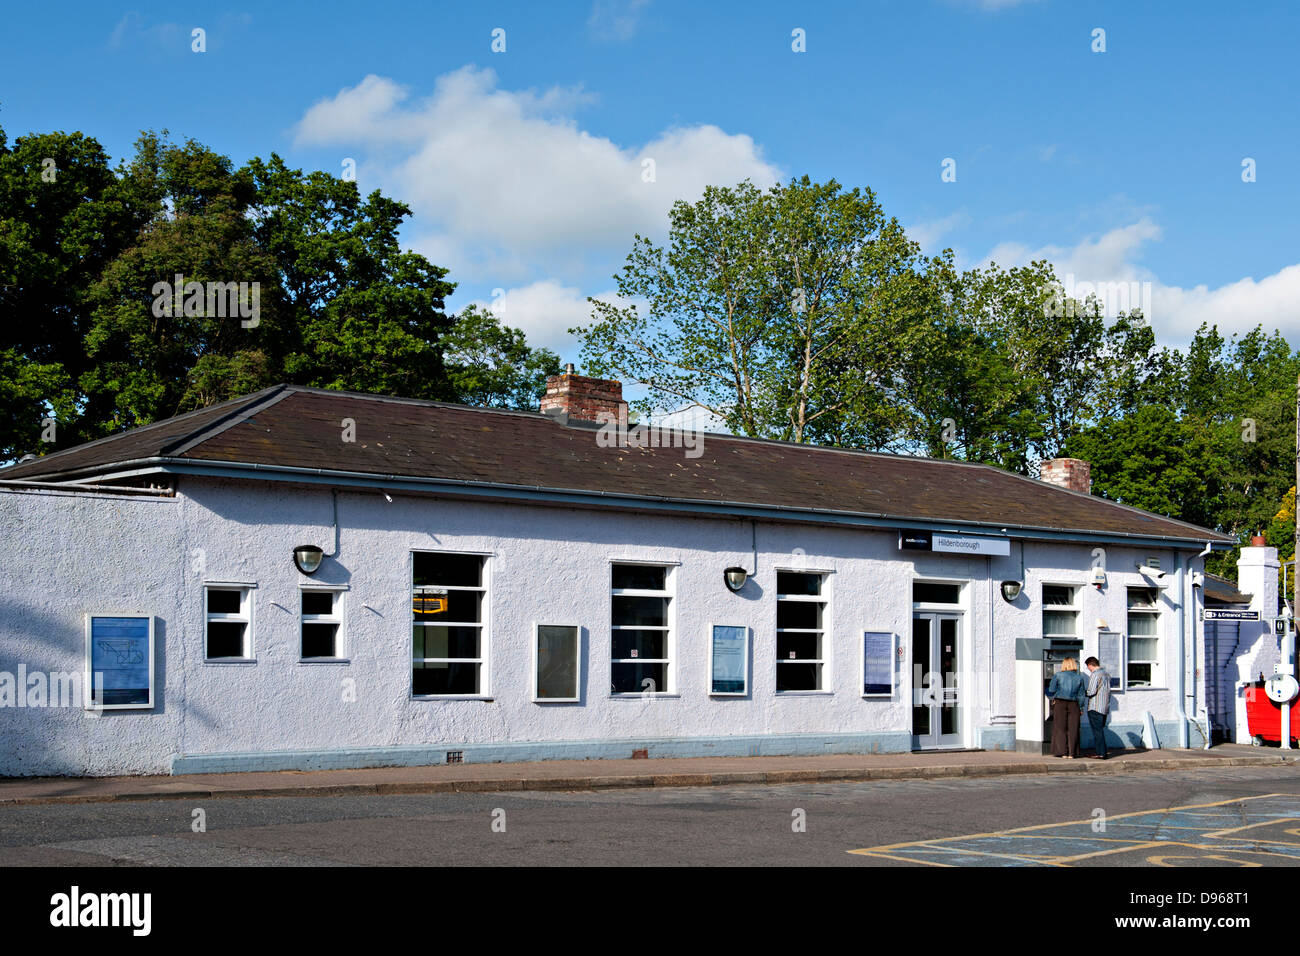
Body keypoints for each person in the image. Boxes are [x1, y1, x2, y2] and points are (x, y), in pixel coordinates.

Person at [1046, 657, 1087, 758]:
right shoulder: (1079, 677)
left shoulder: (1058, 675)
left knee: (1060, 728)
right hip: (1074, 704)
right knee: (1073, 729)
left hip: (1060, 703)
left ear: (1064, 665)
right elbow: (1081, 695)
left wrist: (1054, 696)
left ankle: (1063, 752)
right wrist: (1081, 707)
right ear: (1074, 665)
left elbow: (1051, 689)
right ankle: (1072, 753)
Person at [1084, 656, 1112, 759]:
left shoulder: (1095, 675)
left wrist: (1083, 692)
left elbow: (1091, 691)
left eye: (1088, 667)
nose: (1088, 669)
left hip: (1095, 707)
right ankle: (1101, 752)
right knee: (1100, 730)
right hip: (1104, 707)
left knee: (1097, 731)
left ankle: (1101, 753)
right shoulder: (1106, 674)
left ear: (1090, 665)